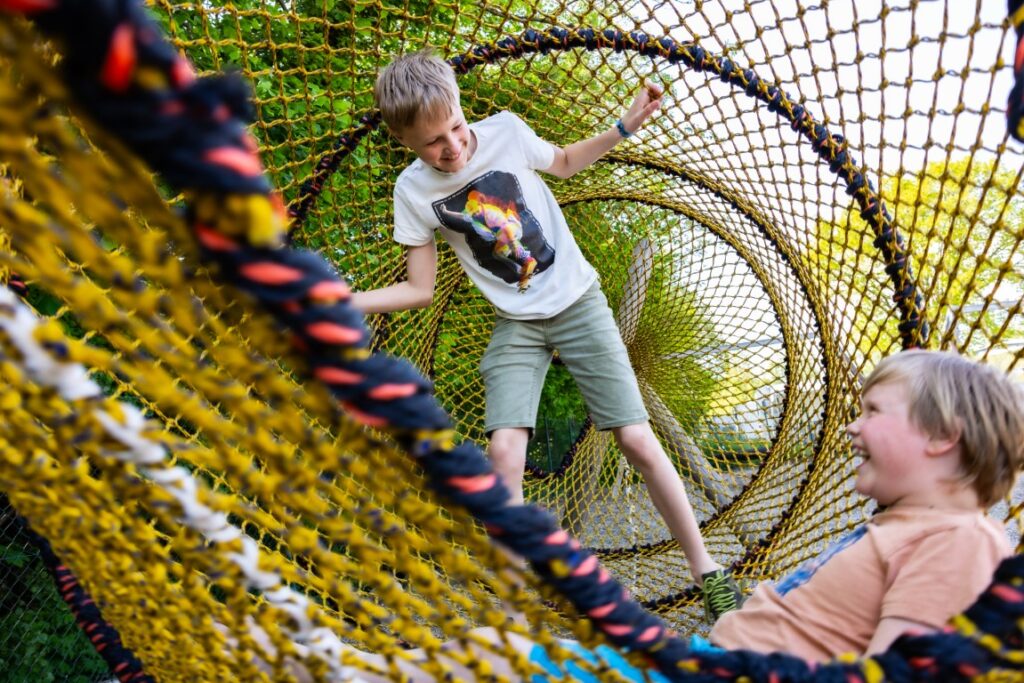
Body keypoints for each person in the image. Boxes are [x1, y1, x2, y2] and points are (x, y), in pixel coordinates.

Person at [237, 348, 1023, 681]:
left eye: (872, 409)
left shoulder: (959, 540)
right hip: (692, 658)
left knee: (499, 657)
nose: (851, 424)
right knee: (495, 653)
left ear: (941, 436)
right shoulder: (897, 525)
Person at [349, 48, 741, 619]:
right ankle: (506, 606)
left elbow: (560, 162)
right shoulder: (413, 193)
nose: (453, 147)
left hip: (578, 302)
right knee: (505, 447)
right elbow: (419, 289)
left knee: (635, 438)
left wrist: (623, 126)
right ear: (404, 140)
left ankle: (708, 571)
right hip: (519, 322)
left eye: (456, 127)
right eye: (433, 142)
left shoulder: (505, 131)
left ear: (462, 108)